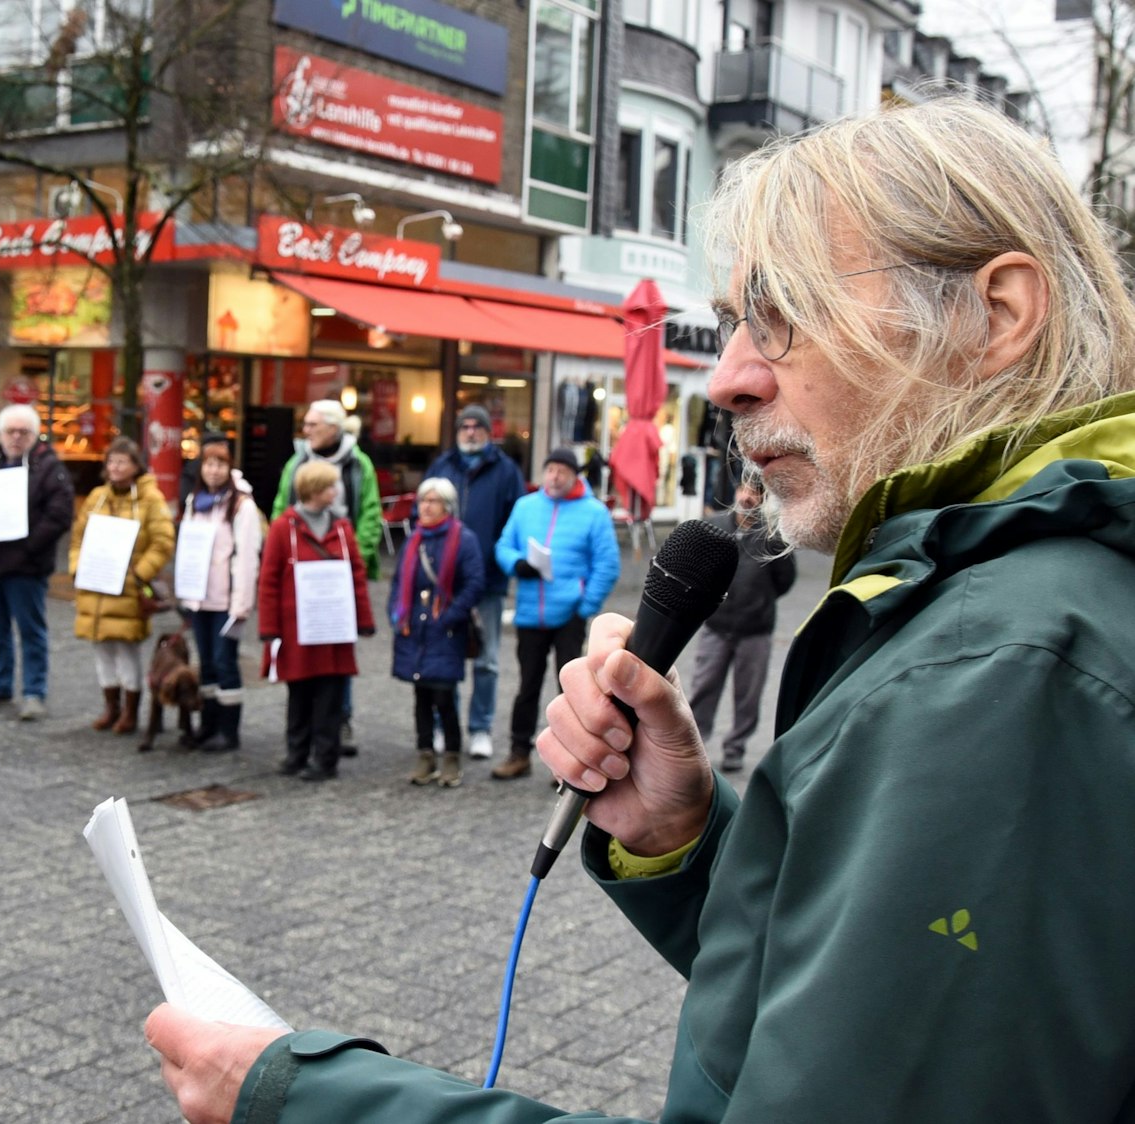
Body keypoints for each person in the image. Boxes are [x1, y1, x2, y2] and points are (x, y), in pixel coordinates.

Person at [149, 96, 1135, 1123]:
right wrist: (684, 838)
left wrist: (307, 1098)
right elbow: (866, 1008)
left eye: (785, 313)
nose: (731, 377)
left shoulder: (998, 667)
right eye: (732, 323)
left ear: (994, 318)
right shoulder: (1007, 615)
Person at [489, 446, 620, 779]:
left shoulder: (593, 513)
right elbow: (503, 546)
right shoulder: (526, 506)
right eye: (550, 469)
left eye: (562, 470)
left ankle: (568, 762)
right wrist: (516, 564)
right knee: (527, 686)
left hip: (570, 615)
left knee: (571, 691)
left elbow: (606, 564)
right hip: (531, 613)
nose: (555, 476)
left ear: (575, 475)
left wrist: (585, 606)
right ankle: (519, 753)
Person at [270, 400, 384, 755]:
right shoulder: (297, 462)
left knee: (337, 659)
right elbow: (280, 507)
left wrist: (354, 558)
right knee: (308, 664)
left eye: (313, 425)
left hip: (339, 569)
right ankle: (311, 735)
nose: (306, 431)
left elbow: (370, 512)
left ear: (333, 428)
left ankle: (337, 725)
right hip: (302, 579)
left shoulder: (358, 463)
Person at [258, 460, 375, 782]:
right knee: (299, 695)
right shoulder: (284, 527)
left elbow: (357, 575)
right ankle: (296, 753)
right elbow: (268, 579)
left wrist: (364, 620)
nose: (335, 492)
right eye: (329, 487)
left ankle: (325, 759)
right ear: (313, 490)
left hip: (334, 628)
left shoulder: (341, 527)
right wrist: (269, 629)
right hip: (297, 630)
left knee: (330, 697)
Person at [0, 404, 75, 721]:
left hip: (26, 567)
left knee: (31, 631)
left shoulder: (48, 468)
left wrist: (28, 546)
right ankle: (0, 683)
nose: (17, 437)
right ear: (0, 434)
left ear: (35, 436)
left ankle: (34, 692)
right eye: (11, 431)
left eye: (24, 432)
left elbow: (60, 514)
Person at [421, 404, 526, 759]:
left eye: (476, 426)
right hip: (444, 583)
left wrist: (500, 561)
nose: (469, 432)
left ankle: (480, 728)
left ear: (487, 431)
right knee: (445, 658)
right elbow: (423, 514)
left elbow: (516, 524)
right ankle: (442, 725)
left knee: (487, 661)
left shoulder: (506, 470)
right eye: (463, 426)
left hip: (488, 583)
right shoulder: (442, 466)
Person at [685, 476, 797, 773]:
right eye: (744, 489)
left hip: (755, 630)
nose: (748, 497)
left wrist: (761, 601)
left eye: (755, 492)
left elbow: (784, 579)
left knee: (748, 694)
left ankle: (735, 747)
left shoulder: (773, 535)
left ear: (762, 499)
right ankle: (691, 746)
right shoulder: (715, 527)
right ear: (735, 492)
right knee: (703, 687)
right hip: (716, 625)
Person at [71, 436, 176, 735]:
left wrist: (140, 574)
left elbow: (163, 541)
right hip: (96, 584)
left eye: (122, 462)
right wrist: (78, 566)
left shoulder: (151, 499)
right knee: (101, 647)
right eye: (111, 461)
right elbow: (78, 537)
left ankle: (130, 710)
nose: (115, 467)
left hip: (128, 587)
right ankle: (110, 706)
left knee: (126, 650)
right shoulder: (97, 497)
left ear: (135, 466)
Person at [387, 477, 485, 787]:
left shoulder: (464, 540)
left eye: (433, 501)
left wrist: (450, 617)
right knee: (420, 694)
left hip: (447, 630)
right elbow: (398, 583)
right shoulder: (414, 539)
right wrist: (397, 614)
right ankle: (425, 754)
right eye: (422, 501)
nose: (425, 507)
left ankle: (452, 757)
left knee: (444, 695)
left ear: (447, 506)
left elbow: (474, 583)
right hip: (415, 629)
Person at [177, 440, 262, 750]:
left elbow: (247, 557)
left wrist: (241, 604)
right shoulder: (194, 500)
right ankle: (207, 724)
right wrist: (184, 594)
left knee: (224, 661)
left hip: (225, 600)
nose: (214, 470)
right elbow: (187, 550)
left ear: (229, 469)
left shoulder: (242, 505)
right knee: (206, 663)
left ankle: (228, 731)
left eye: (220, 464)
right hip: (199, 597)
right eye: (208, 464)